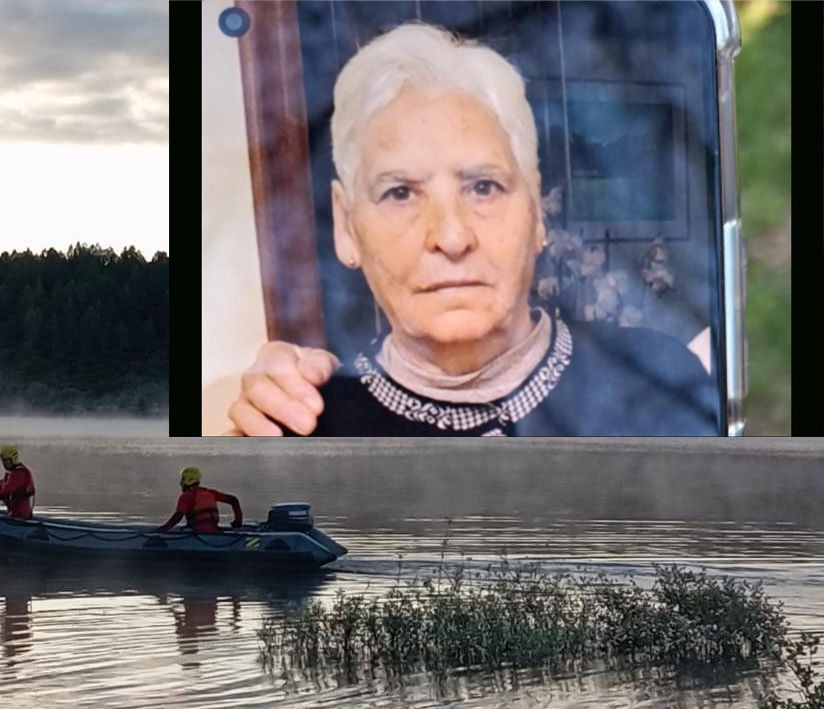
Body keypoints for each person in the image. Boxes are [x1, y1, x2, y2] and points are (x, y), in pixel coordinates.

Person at [226, 23, 719, 436]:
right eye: (400, 193)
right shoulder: (309, 424)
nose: (452, 237)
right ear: (347, 226)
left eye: (483, 187)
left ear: (538, 212)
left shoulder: (659, 380)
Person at [158, 467, 243, 533]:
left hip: (197, 532)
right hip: (215, 531)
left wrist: (164, 529)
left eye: (183, 479)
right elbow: (233, 500)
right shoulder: (210, 492)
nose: (180, 483)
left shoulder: (186, 496)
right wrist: (238, 522)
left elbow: (178, 516)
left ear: (188, 480)